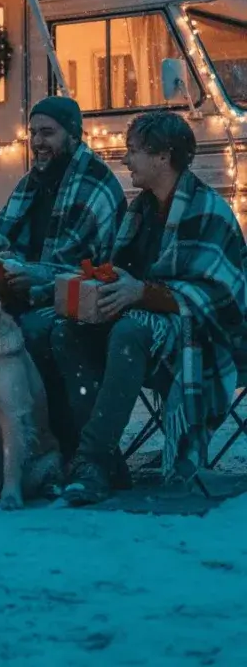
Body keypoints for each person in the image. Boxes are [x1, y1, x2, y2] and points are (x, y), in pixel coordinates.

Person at [52, 111, 247, 505]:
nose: (126, 160)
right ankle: (107, 459)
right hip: (146, 325)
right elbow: (125, 273)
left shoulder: (208, 211)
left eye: (133, 151)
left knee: (131, 331)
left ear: (163, 157)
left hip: (204, 336)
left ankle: (91, 462)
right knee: (63, 330)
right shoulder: (139, 210)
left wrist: (141, 293)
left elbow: (222, 298)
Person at [0, 96, 127, 459]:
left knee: (32, 333)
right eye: (33, 133)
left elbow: (84, 267)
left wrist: (34, 278)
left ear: (74, 136)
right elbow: (5, 232)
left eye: (48, 133)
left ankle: (63, 446)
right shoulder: (33, 181)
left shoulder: (95, 184)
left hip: (83, 301)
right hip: (31, 293)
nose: (38, 142)